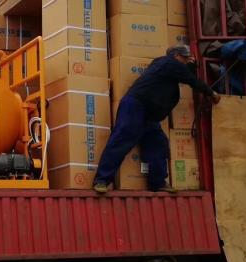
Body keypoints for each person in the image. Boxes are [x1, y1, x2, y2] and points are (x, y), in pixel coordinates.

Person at [92, 44, 220, 194]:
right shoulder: (168, 63)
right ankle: (101, 180)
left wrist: (190, 67)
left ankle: (158, 183)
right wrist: (211, 93)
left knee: (158, 144)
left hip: (149, 114)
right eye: (185, 58)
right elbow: (192, 80)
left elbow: (186, 75)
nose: (187, 61)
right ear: (176, 56)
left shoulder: (168, 69)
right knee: (122, 139)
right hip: (136, 106)